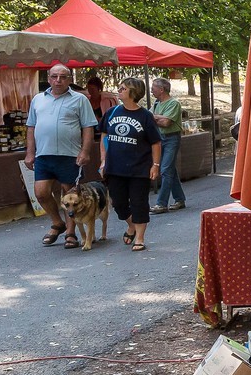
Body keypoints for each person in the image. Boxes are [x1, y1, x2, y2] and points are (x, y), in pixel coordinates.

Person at [24, 64, 98, 249]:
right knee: (41, 193)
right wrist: (30, 152)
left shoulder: (79, 99)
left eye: (63, 77)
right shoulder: (38, 99)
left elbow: (88, 127)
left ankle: (71, 233)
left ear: (70, 79)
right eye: (55, 76)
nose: (58, 80)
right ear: (48, 78)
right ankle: (58, 223)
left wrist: (85, 151)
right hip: (44, 155)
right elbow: (31, 127)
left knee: (70, 195)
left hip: (69, 155)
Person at [99, 80, 162, 251]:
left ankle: (140, 238)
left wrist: (155, 165)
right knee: (118, 202)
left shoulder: (145, 116)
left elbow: (155, 142)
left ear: (133, 93)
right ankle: (131, 224)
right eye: (119, 88)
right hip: (115, 167)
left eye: (123, 89)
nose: (119, 91)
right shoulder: (111, 112)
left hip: (139, 167)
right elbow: (104, 135)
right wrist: (103, 159)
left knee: (139, 202)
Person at [148, 77, 186, 213]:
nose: (151, 90)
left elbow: (166, 123)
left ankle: (161, 203)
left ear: (161, 89)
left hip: (171, 138)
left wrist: (155, 117)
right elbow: (150, 117)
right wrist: (160, 117)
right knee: (170, 170)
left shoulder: (174, 103)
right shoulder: (157, 104)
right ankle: (179, 199)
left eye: (153, 88)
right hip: (159, 138)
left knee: (164, 169)